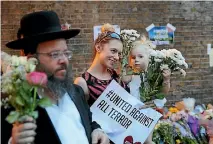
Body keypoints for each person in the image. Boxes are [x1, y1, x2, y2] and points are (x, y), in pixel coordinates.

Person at [1, 10, 109, 144]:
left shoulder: (77, 92)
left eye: (65, 53)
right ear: (32, 60)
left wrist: (97, 130)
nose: (64, 60)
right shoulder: (14, 106)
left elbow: (89, 121)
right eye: (55, 54)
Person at [74, 23, 129, 106]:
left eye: (119, 53)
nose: (117, 57)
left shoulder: (116, 75)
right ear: (98, 48)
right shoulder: (82, 82)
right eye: (113, 51)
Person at [122, 40, 171, 108]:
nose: (136, 59)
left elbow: (163, 92)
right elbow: (124, 80)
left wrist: (166, 79)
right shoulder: (132, 75)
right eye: (133, 57)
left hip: (148, 111)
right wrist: (126, 65)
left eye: (140, 56)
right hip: (132, 111)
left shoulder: (155, 76)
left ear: (150, 57)